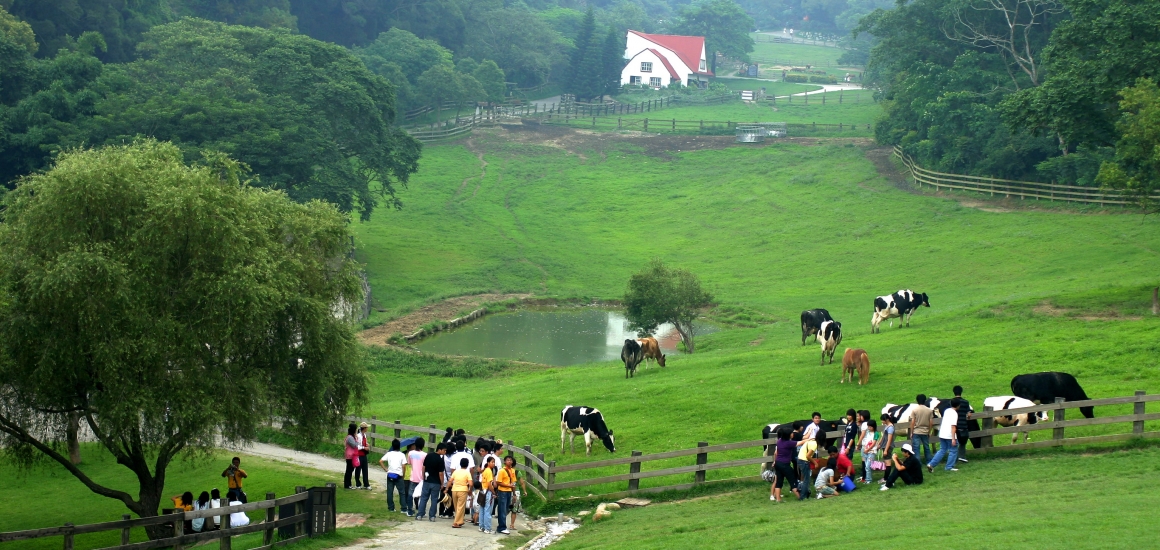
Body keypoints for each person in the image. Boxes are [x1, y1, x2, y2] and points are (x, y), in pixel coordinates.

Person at [928, 397, 961, 472]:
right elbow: (953, 426)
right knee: (953, 450)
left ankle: (931, 464)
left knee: (942, 450)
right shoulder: (954, 413)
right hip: (949, 435)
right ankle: (949, 467)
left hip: (942, 433)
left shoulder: (947, 411)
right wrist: (953, 438)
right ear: (958, 405)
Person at [417, 443, 446, 521]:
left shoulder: (429, 455)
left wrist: (423, 477)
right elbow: (441, 474)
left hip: (427, 480)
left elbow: (423, 467)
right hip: (436, 482)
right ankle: (432, 516)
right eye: (444, 450)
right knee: (434, 499)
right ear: (439, 450)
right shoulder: (440, 460)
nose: (445, 452)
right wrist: (442, 483)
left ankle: (420, 514)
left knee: (423, 498)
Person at [769, 428, 800, 503]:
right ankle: (800, 497)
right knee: (793, 480)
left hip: (778, 463)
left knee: (779, 481)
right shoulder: (788, 443)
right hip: (785, 465)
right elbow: (800, 443)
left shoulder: (779, 441)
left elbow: (776, 453)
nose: (793, 434)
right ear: (788, 435)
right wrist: (809, 440)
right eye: (792, 433)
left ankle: (778, 499)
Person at [496, 455, 522, 534]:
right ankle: (502, 527)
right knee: (502, 509)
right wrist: (508, 486)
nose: (509, 461)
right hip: (503, 491)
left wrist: (514, 494)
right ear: (504, 462)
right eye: (507, 460)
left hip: (509, 492)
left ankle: (501, 526)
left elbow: (513, 483)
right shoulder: (502, 471)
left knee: (506, 509)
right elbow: (499, 482)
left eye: (510, 460)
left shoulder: (513, 471)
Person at [381, 438, 408, 514]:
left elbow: (381, 461)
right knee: (402, 492)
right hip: (398, 475)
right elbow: (404, 466)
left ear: (392, 446)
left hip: (390, 475)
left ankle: (391, 508)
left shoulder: (389, 453)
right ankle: (403, 508)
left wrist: (385, 469)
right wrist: (403, 475)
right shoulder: (402, 455)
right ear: (399, 446)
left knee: (390, 492)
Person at [909, 394, 935, 464]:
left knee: (916, 448)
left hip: (916, 431)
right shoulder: (929, 410)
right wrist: (929, 432)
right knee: (926, 447)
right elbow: (931, 422)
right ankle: (929, 462)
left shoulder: (915, 410)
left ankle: (918, 463)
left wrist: (911, 432)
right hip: (925, 431)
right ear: (925, 400)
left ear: (917, 401)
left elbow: (913, 422)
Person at [450, 457, 472, 528]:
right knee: (461, 507)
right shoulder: (467, 472)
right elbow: (471, 483)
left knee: (457, 507)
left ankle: (460, 521)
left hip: (454, 489)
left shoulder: (456, 471)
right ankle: (456, 523)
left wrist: (447, 488)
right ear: (467, 465)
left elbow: (450, 481)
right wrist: (470, 490)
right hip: (462, 490)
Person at [796, 428, 817, 500]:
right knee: (806, 480)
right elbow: (808, 456)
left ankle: (804, 494)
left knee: (804, 479)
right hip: (804, 461)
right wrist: (815, 463)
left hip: (800, 459)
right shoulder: (814, 444)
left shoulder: (811, 441)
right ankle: (802, 497)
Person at [408, 438, 427, 515]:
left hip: (413, 476)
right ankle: (421, 511)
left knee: (410, 494)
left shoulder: (410, 453)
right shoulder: (425, 455)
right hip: (421, 478)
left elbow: (409, 463)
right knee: (421, 495)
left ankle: (410, 511)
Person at [478, 456, 497, 534]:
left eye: (494, 462)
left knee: (482, 509)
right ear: (488, 463)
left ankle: (481, 526)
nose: (493, 464)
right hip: (488, 492)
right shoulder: (489, 471)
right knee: (488, 510)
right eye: (492, 462)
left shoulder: (485, 470)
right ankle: (487, 528)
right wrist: (493, 492)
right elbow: (489, 483)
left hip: (483, 491)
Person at [954, 385, 971, 463]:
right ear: (961, 392)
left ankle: (955, 458)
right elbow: (969, 414)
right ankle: (962, 456)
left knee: (954, 442)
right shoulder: (965, 402)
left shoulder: (951, 402)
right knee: (963, 442)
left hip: (954, 425)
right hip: (963, 425)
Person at [878, 414, 896, 481]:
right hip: (884, 446)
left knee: (888, 463)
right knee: (886, 462)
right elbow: (883, 436)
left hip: (887, 446)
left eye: (883, 420)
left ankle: (886, 478)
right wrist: (879, 443)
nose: (882, 421)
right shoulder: (887, 426)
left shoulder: (890, 427)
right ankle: (885, 478)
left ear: (887, 420)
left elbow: (889, 440)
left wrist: (886, 450)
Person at [860, 419, 878, 483]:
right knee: (866, 466)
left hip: (872, 452)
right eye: (868, 427)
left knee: (868, 466)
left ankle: (868, 480)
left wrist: (867, 449)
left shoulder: (876, 434)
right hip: (866, 451)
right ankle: (868, 479)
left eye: (870, 427)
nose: (869, 428)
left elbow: (874, 443)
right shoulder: (868, 432)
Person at [343, 423, 360, 490]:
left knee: (350, 469)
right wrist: (357, 439)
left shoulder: (351, 437)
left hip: (351, 455)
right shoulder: (350, 437)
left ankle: (348, 484)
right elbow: (354, 445)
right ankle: (347, 484)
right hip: (350, 455)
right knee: (349, 470)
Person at [356, 423, 372, 489]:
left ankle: (366, 484)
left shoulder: (364, 435)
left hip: (364, 454)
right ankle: (358, 484)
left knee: (365, 469)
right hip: (359, 454)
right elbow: (357, 446)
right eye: (366, 427)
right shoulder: (358, 436)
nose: (367, 429)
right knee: (358, 470)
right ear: (364, 428)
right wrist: (364, 447)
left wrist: (367, 445)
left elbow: (364, 443)